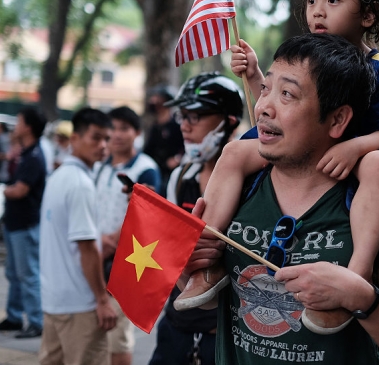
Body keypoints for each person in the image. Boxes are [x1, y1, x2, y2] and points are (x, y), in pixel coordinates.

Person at [177, 0, 379, 333]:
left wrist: (354, 147)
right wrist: (254, 76)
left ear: (368, 15)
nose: (318, 11)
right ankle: (210, 256)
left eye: (333, 1)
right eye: (312, 0)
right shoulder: (302, 55)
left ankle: (358, 273)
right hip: (302, 148)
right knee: (236, 151)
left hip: (357, 152)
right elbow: (274, 110)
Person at [183, 34, 379, 364]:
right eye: (266, 89)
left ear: (337, 119)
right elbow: (215, 303)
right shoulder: (237, 187)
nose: (263, 107)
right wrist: (190, 266)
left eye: (287, 94)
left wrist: (362, 297)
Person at [148, 72, 244, 365]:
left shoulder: (254, 183)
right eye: (181, 115)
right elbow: (166, 250)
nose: (185, 126)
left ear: (228, 121)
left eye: (196, 115)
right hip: (177, 325)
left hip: (227, 335)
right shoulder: (180, 177)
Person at [39, 108, 117, 365]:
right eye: (95, 138)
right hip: (80, 304)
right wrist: (101, 299)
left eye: (106, 139)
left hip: (55, 301)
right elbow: (86, 249)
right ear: (75, 139)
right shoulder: (81, 184)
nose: (103, 146)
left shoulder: (59, 175)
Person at [94, 106, 160, 365]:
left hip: (126, 261)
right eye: (113, 128)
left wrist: (110, 243)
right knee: (96, 329)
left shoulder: (146, 169)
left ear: (137, 133)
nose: (117, 135)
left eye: (124, 129)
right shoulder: (101, 165)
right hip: (96, 256)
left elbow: (147, 217)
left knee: (117, 333)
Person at [0, 108, 48, 339]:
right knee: (14, 273)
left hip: (25, 225)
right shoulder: (24, 152)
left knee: (28, 274)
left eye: (20, 121)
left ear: (29, 127)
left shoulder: (34, 157)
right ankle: (13, 317)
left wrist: (1, 191)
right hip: (15, 224)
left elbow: (20, 190)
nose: (16, 125)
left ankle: (36, 321)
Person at [143, 85, 184, 197]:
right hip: (156, 170)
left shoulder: (177, 126)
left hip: (170, 174)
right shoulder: (155, 128)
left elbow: (186, 147)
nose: (153, 101)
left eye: (157, 98)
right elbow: (147, 150)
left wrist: (177, 159)